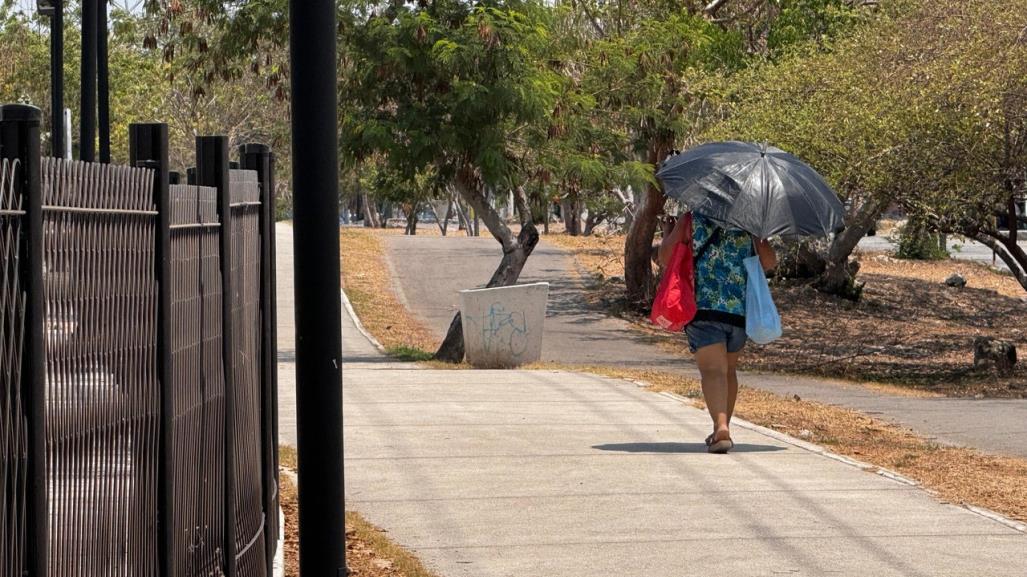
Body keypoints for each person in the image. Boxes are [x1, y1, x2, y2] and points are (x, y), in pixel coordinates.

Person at [658, 212, 777, 454]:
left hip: (703, 310)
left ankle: (721, 427)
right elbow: (769, 263)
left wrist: (669, 232)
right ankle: (720, 429)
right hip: (738, 314)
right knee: (728, 372)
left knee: (713, 371)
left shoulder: (690, 219)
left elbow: (664, 258)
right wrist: (757, 234)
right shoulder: (749, 221)